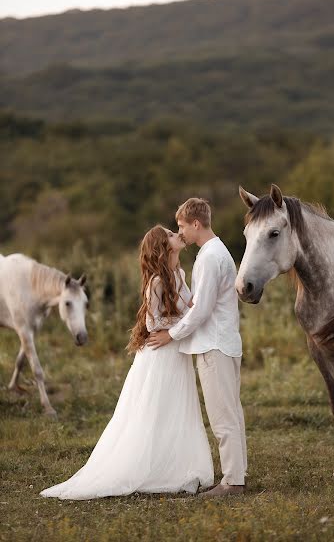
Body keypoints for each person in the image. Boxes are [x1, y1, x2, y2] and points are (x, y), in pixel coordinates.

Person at [40, 225, 213, 500]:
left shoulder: (179, 274)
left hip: (176, 351)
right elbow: (152, 322)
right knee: (154, 410)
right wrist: (182, 325)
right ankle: (149, 466)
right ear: (162, 247)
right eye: (169, 234)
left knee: (176, 408)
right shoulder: (157, 281)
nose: (175, 234)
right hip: (161, 353)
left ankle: (174, 464)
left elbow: (191, 305)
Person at [148, 198, 247, 497]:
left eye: (181, 226)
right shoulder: (219, 252)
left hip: (213, 344)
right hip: (225, 340)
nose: (181, 233)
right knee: (233, 411)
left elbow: (201, 310)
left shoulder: (208, 256)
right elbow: (198, 302)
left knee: (222, 416)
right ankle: (239, 473)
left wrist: (172, 334)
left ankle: (232, 482)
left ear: (195, 223)